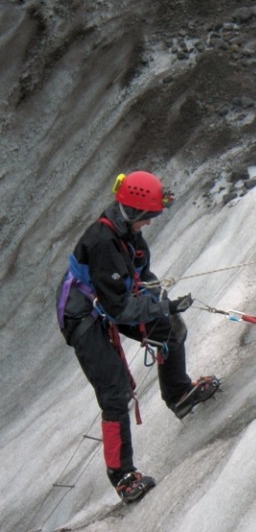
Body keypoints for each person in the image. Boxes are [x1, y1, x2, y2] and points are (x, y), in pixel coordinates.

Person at [56, 171, 219, 503]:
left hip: (109, 301)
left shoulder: (127, 234)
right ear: (135, 213)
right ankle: (123, 476)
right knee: (115, 391)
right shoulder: (103, 243)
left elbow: (141, 277)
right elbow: (119, 309)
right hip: (83, 315)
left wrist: (163, 301)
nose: (150, 223)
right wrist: (162, 305)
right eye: (149, 217)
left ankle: (179, 394)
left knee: (169, 328)